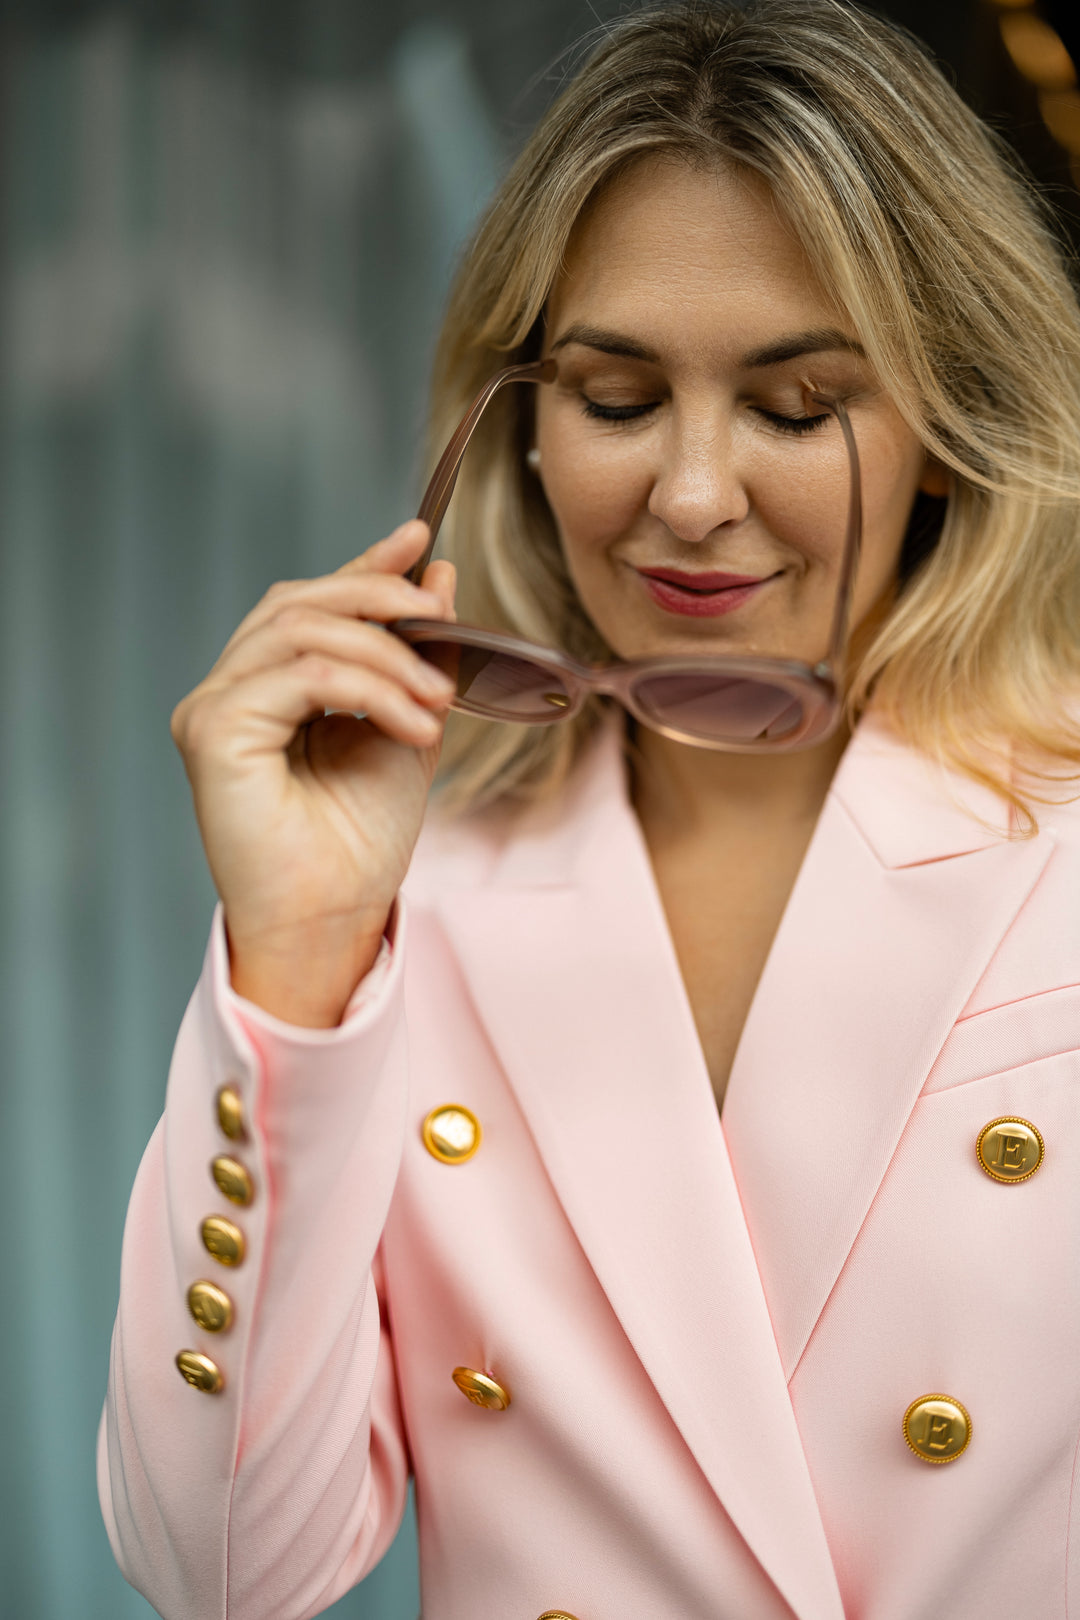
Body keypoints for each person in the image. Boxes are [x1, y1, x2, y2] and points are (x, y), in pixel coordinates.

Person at [99, 2, 1080, 1617]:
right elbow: (220, 1577)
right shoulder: (412, 902)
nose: (692, 497)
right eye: (618, 400)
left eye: (794, 403)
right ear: (525, 432)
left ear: (949, 435)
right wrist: (296, 961)